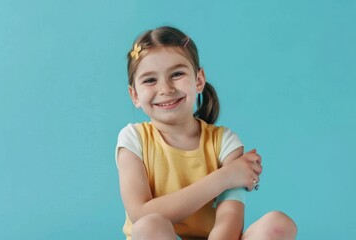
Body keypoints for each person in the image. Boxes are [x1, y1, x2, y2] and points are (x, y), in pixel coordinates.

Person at [115, 26, 297, 240]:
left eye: (177, 74)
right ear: (134, 95)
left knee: (279, 224)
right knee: (149, 224)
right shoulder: (132, 140)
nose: (165, 88)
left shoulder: (225, 143)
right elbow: (141, 213)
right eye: (150, 80)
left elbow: (229, 219)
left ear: (199, 80)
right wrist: (225, 177)